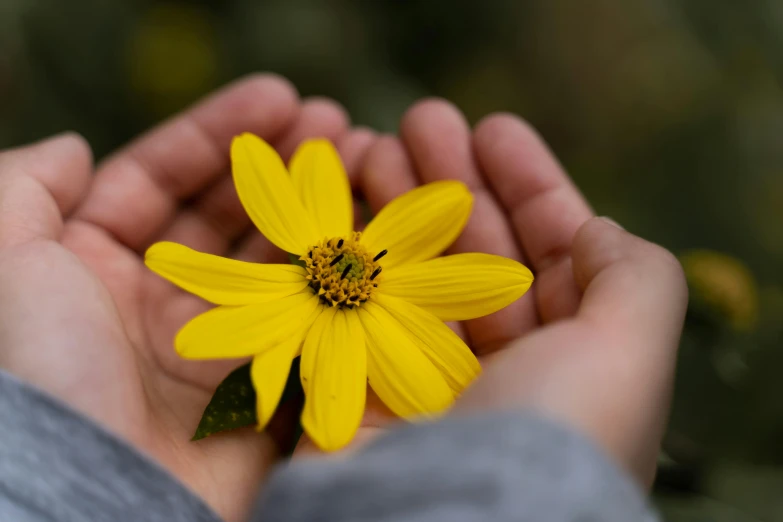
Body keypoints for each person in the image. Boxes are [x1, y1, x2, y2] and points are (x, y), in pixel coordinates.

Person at [0, 74, 687, 522]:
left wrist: (65, 475)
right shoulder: (306, 271)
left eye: (351, 262)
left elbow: (458, 336)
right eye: (343, 260)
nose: (349, 260)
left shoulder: (380, 290)